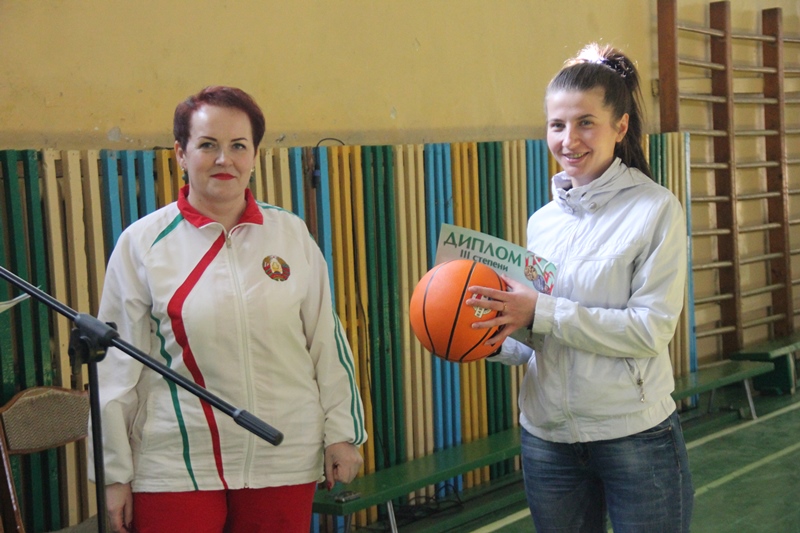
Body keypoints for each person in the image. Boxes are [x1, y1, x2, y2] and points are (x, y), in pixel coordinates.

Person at [89, 86, 366, 533]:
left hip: (283, 455)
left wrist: (342, 433)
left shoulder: (290, 234)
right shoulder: (142, 244)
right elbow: (116, 371)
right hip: (176, 465)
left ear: (254, 155)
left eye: (238, 146)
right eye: (207, 145)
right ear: (181, 154)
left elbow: (326, 343)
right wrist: (113, 473)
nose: (225, 159)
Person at [467, 44, 694, 532]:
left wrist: (540, 311)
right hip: (547, 440)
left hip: (633, 434)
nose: (569, 139)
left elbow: (649, 331)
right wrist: (486, 335)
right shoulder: (542, 222)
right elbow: (539, 339)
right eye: (557, 125)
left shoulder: (656, 210)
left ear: (621, 127)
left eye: (586, 123)